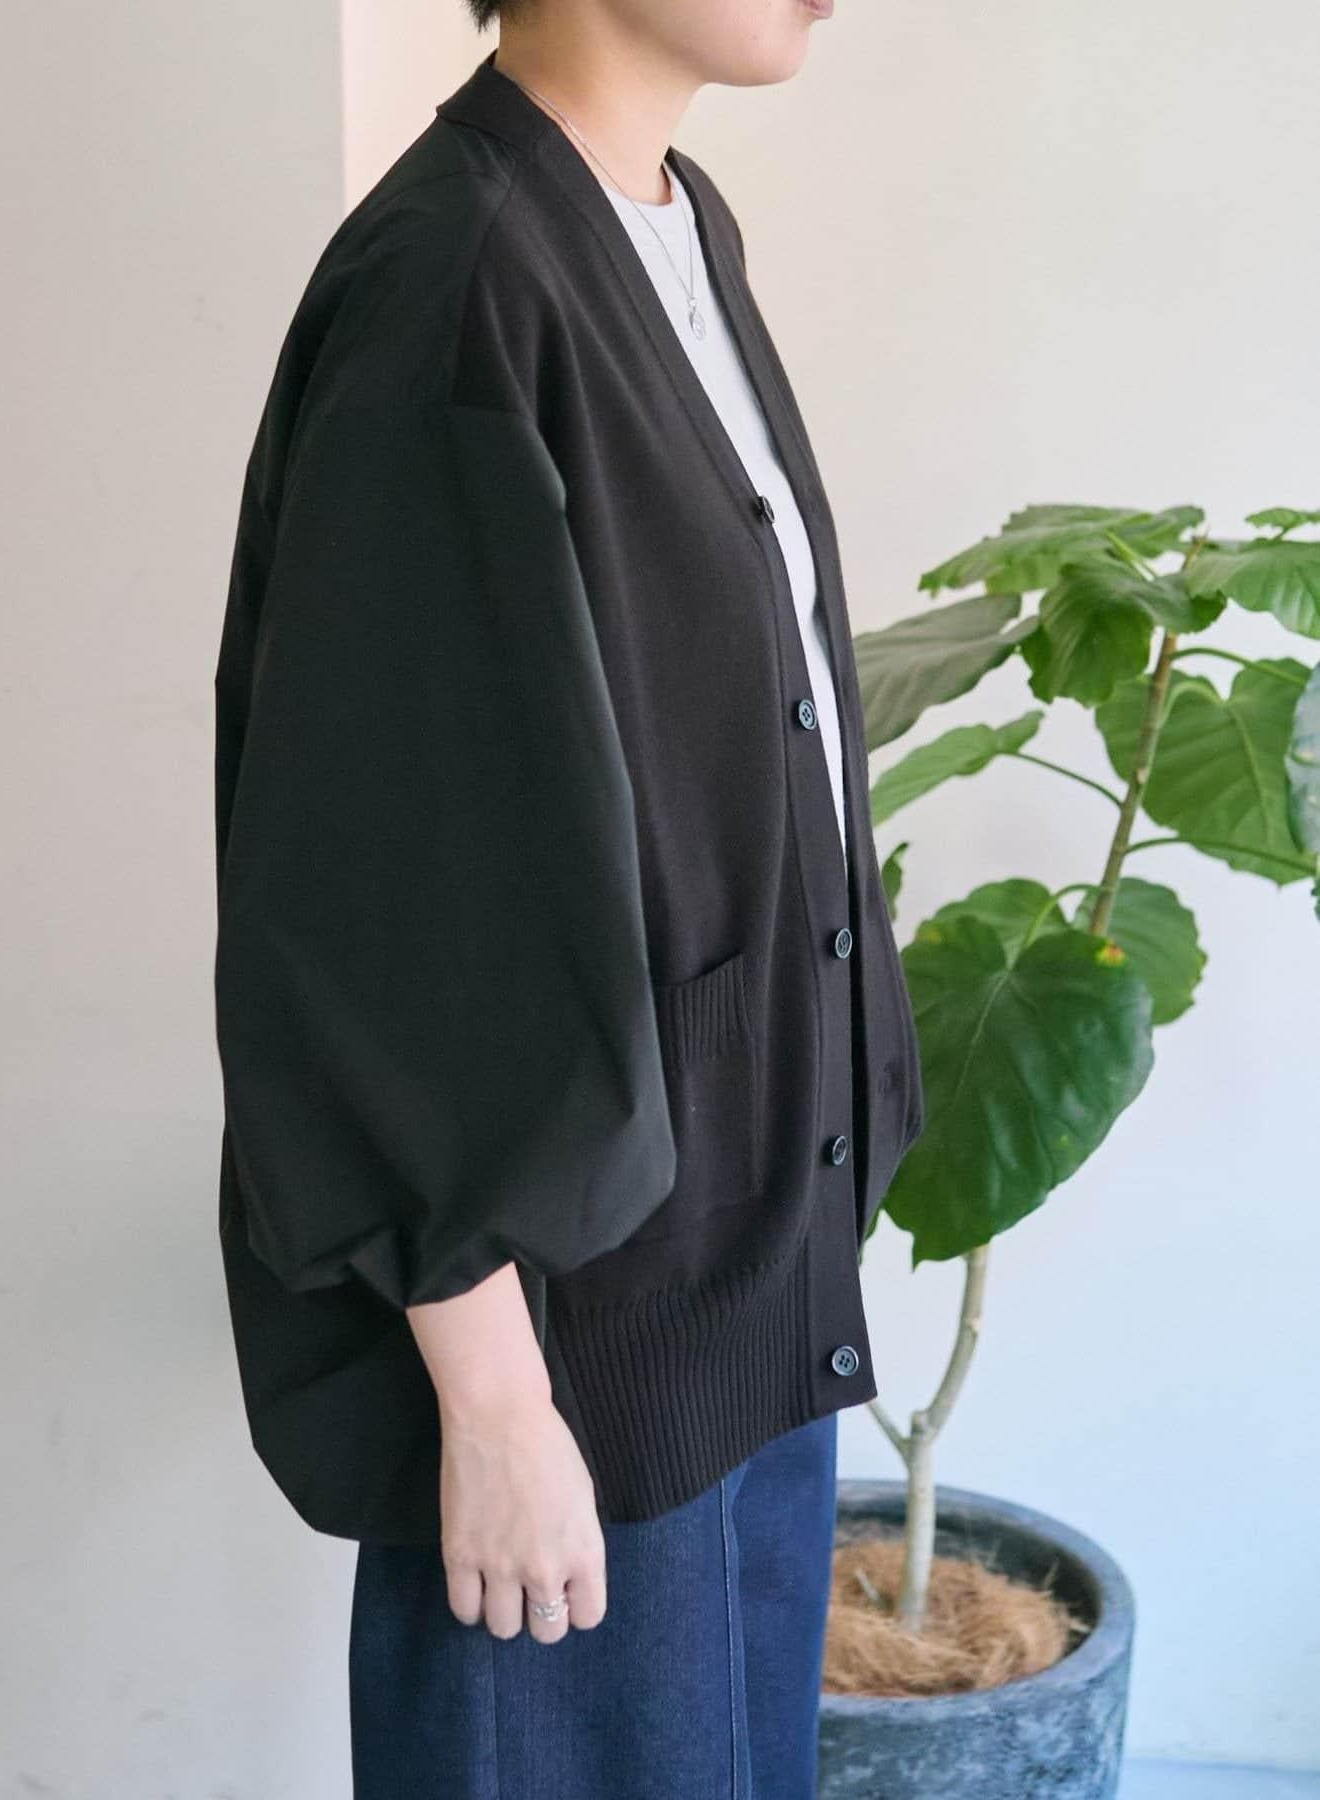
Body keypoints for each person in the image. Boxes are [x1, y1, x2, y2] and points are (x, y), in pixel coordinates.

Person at [211, 2, 922, 1794]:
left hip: (737, 1286)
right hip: (573, 1365)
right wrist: (496, 1401)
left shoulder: (671, 223)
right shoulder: (455, 282)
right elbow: (376, 893)